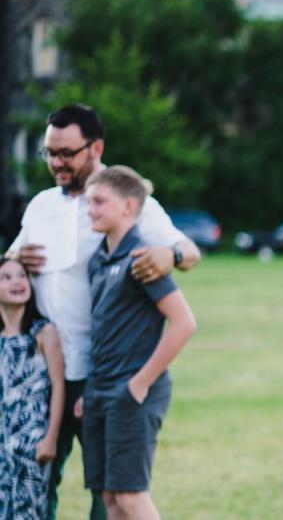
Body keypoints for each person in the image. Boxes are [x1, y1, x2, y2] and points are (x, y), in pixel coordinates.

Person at [5, 104, 202, 520]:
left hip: (104, 372)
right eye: (49, 153)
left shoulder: (125, 199)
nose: (56, 163)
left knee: (111, 493)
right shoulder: (41, 206)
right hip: (46, 373)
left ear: (96, 147)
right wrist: (16, 257)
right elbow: (8, 274)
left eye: (66, 153)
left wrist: (171, 253)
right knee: (34, 483)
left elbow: (190, 252)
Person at [80, 166, 198, 520]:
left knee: (131, 497)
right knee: (111, 498)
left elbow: (184, 323)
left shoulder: (143, 258)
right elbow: (100, 331)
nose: (91, 210)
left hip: (133, 391)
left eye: (100, 201)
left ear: (129, 207)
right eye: (89, 202)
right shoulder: (98, 260)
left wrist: (139, 383)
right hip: (100, 391)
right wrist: (91, 392)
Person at [0, 258, 65, 520]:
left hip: (31, 442)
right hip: (2, 441)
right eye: (6, 277)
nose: (17, 281)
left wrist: (50, 439)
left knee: (29, 513)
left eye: (22, 275)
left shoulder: (43, 333)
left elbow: (59, 387)